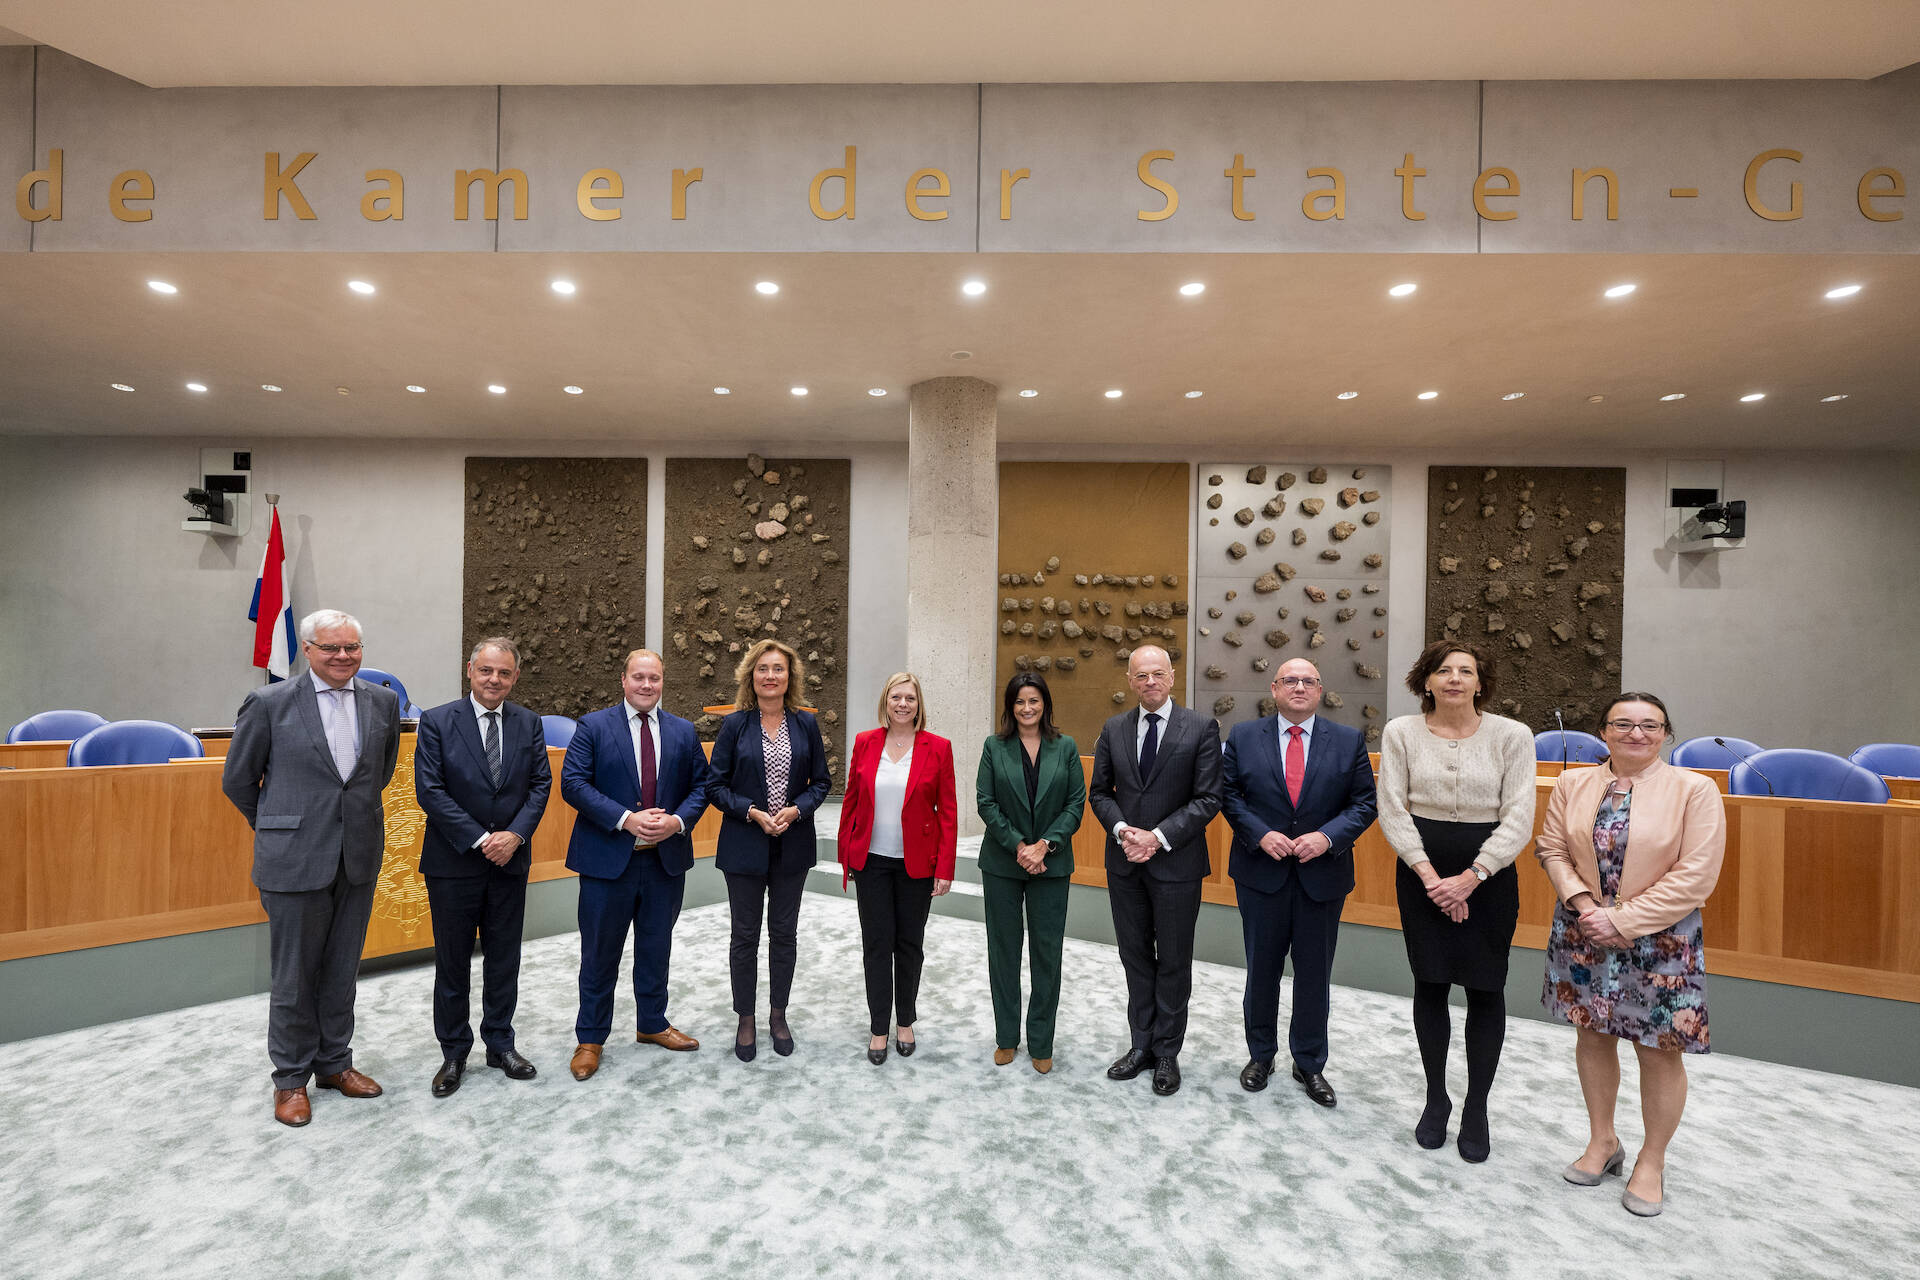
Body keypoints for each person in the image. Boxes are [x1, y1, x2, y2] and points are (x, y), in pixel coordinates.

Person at [1537, 693, 1725, 1218]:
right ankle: (1603, 1142)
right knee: (1592, 1035)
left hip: (1662, 939)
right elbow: (1551, 848)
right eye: (1622, 723)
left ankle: (1651, 1160)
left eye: (1649, 725)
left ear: (1666, 733)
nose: (1635, 733)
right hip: (1582, 930)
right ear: (1604, 731)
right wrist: (1582, 904)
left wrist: (1621, 920)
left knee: (1659, 1049)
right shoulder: (1574, 783)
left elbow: (1697, 874)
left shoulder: (1695, 790)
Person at [220, 608, 401, 1128]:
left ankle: (334, 1064)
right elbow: (238, 781)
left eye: (352, 647)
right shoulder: (270, 702)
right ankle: (290, 1079)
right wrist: (279, 826)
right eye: (331, 648)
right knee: (295, 975)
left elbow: (378, 772)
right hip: (293, 859)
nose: (343, 656)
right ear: (307, 650)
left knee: (343, 969)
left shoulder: (383, 702)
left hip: (358, 854)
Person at [1376, 641, 1536, 1162]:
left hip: (1489, 875)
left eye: (1466, 671)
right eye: (1443, 671)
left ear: (1480, 682)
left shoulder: (1513, 736)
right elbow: (1393, 809)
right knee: (1432, 981)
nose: (1454, 679)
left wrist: (1470, 879)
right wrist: (1431, 879)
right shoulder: (1401, 732)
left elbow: (1518, 817)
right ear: (1426, 681)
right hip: (1420, 869)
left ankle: (1477, 1108)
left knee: (1485, 989)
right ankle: (1435, 1099)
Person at [1220, 659, 1378, 1108]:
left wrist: (1327, 837)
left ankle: (1309, 1063)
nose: (1299, 687)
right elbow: (1229, 795)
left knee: (1314, 976)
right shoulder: (1244, 737)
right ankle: (1260, 1056)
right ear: (1274, 688)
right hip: (1260, 874)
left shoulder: (1347, 742)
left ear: (1321, 689)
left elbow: (1365, 804)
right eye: (1290, 680)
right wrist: (1259, 833)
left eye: (1308, 680)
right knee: (1261, 971)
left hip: (1321, 878)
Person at [559, 649, 712, 1082]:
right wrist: (627, 820)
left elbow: (702, 786)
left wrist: (678, 821)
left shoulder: (683, 731)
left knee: (655, 947)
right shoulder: (593, 726)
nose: (647, 686)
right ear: (623, 679)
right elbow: (573, 783)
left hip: (664, 863)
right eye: (639, 677)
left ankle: (652, 1023)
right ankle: (590, 1037)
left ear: (664, 682)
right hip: (609, 863)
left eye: (655, 678)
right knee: (599, 954)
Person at [412, 636, 552, 1097]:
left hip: (510, 860)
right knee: (452, 963)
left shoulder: (529, 723)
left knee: (504, 958)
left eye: (505, 673)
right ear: (469, 670)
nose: (495, 680)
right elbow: (430, 791)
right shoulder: (435, 721)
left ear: (515, 677)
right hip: (454, 862)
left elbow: (539, 784)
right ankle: (454, 1052)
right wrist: (480, 838)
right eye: (487, 671)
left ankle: (500, 1043)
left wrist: (514, 836)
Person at [1088, 643, 1223, 1097]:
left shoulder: (1201, 727)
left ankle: (1167, 1051)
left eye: (1157, 673)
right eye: (1140, 675)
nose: (1149, 681)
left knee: (1174, 960)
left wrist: (1157, 837)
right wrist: (1125, 830)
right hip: (1125, 864)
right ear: (1129, 680)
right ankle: (1140, 1044)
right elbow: (1100, 793)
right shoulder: (1113, 728)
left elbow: (1208, 798)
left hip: (1176, 863)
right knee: (1135, 956)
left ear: (1171, 677)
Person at [708, 638, 832, 1062]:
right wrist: (752, 812)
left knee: (784, 935)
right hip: (744, 845)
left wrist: (797, 810)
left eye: (778, 669)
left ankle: (778, 1014)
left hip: (792, 847)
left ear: (790, 676)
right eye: (763, 669)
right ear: (751, 676)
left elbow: (822, 784)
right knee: (744, 936)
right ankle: (746, 1017)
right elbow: (715, 786)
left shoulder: (806, 724)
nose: (770, 676)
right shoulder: (734, 725)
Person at [836, 672, 957, 1064]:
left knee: (909, 944)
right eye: (896, 697)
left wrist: (946, 867)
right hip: (871, 860)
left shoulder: (938, 748)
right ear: (885, 702)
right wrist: (846, 855)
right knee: (876, 944)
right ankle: (878, 1027)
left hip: (916, 863)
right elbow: (851, 802)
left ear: (919, 704)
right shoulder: (865, 742)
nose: (903, 704)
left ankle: (905, 1021)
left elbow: (949, 813)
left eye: (910, 698)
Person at [974, 673, 1085, 1074]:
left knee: (1046, 954)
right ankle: (1006, 1037)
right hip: (1004, 863)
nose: (1027, 709)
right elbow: (986, 802)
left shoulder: (1066, 747)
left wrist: (1045, 846)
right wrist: (1021, 845)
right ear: (1010, 706)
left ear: (1045, 704)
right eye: (1019, 701)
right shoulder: (994, 746)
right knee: (1003, 952)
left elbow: (1075, 803)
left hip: (1052, 865)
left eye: (1034, 701)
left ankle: (1041, 1041)